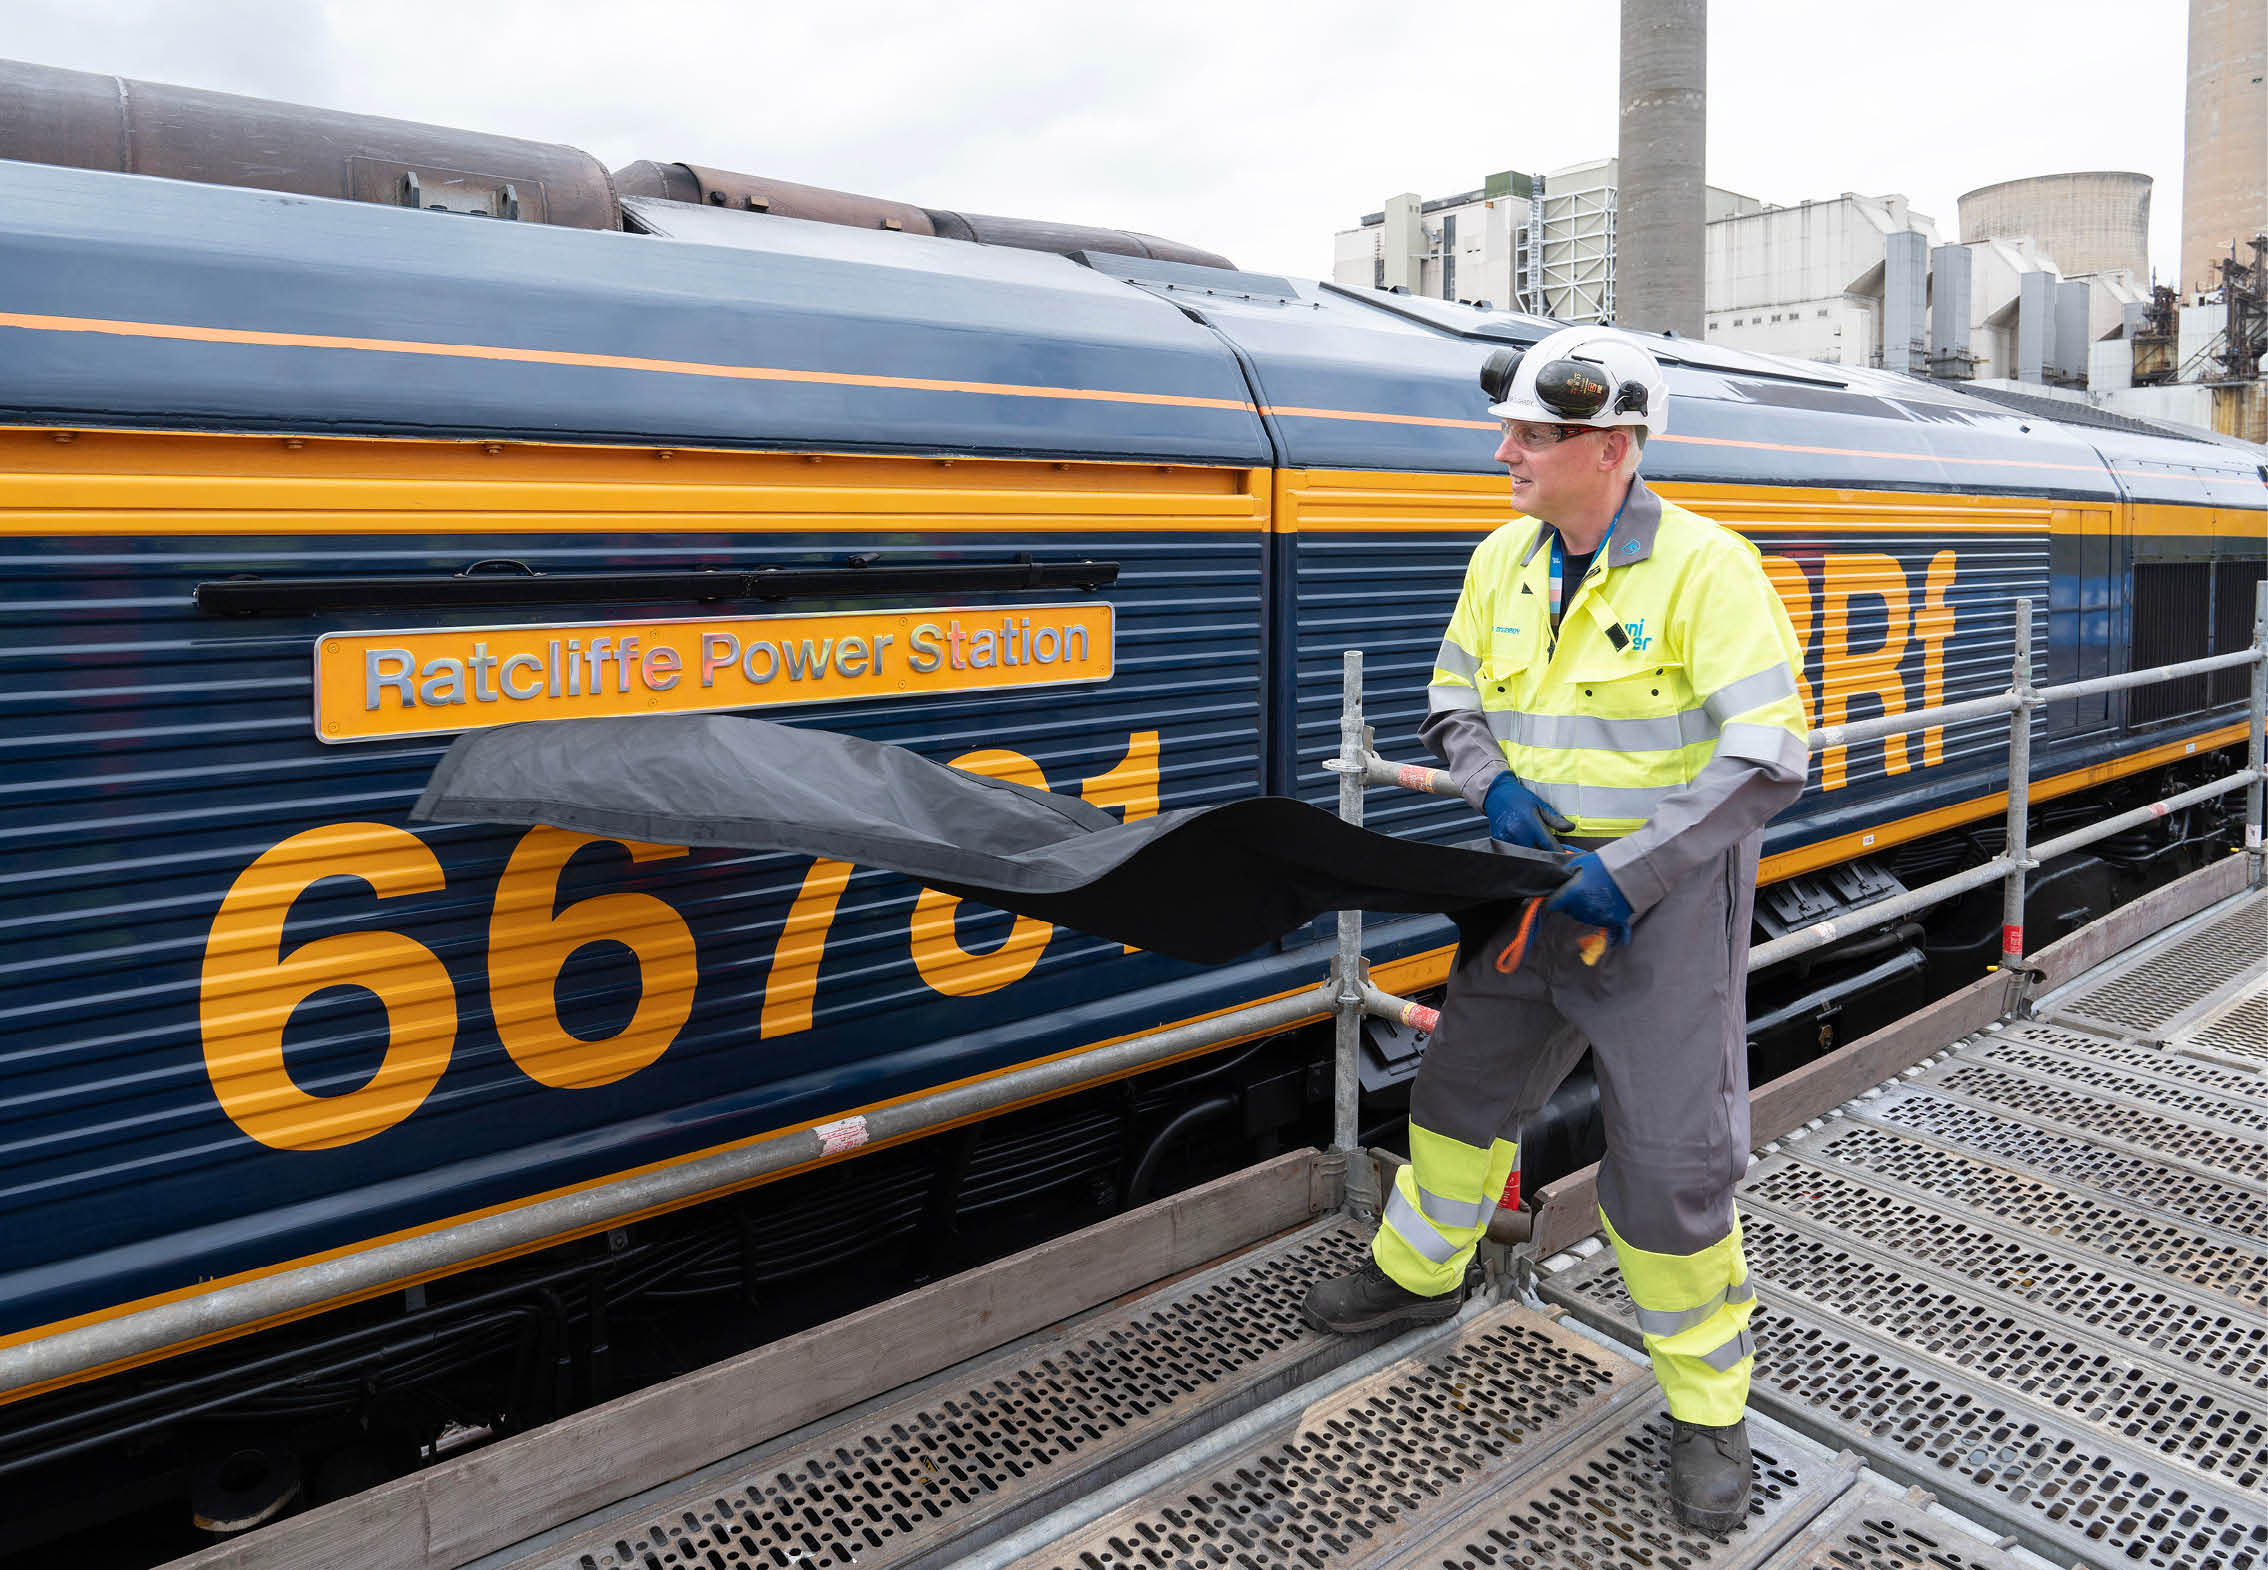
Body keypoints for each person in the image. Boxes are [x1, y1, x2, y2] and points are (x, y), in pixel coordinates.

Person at [1300, 326, 1809, 1534]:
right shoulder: (1504, 562)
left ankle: (1707, 1406)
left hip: (1665, 906)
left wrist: (1626, 874)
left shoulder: (1708, 571)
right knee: (1458, 1088)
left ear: (1613, 447)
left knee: (1673, 1168)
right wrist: (1493, 788)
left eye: (1535, 433)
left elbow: (1770, 759)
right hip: (1529, 883)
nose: (1506, 451)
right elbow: (1451, 700)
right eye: (1512, 428)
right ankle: (1419, 1274)